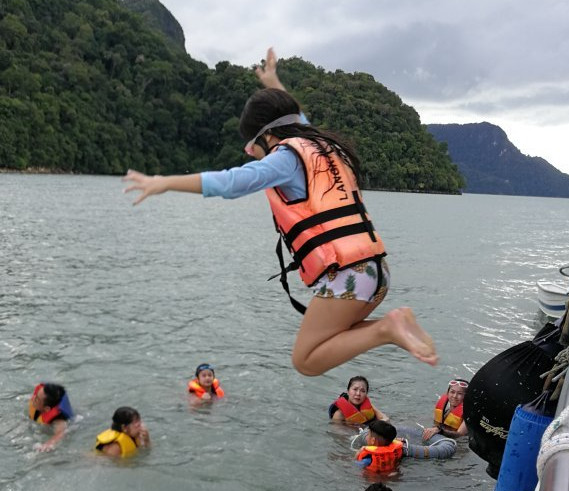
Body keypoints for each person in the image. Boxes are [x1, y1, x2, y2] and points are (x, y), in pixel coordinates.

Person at [123, 48, 438, 376]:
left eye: (252, 146)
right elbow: (295, 117)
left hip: (347, 274)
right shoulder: (321, 146)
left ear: (269, 136)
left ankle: (388, 328)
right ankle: (394, 325)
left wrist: (164, 182)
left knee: (306, 360)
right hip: (375, 270)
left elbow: (231, 182)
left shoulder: (285, 158)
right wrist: (273, 82)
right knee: (333, 340)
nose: (253, 153)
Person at [28, 382, 74, 452]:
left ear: (47, 409)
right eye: (36, 395)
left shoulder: (58, 419)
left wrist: (48, 444)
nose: (33, 398)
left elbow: (61, 432)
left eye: (37, 399)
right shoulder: (41, 399)